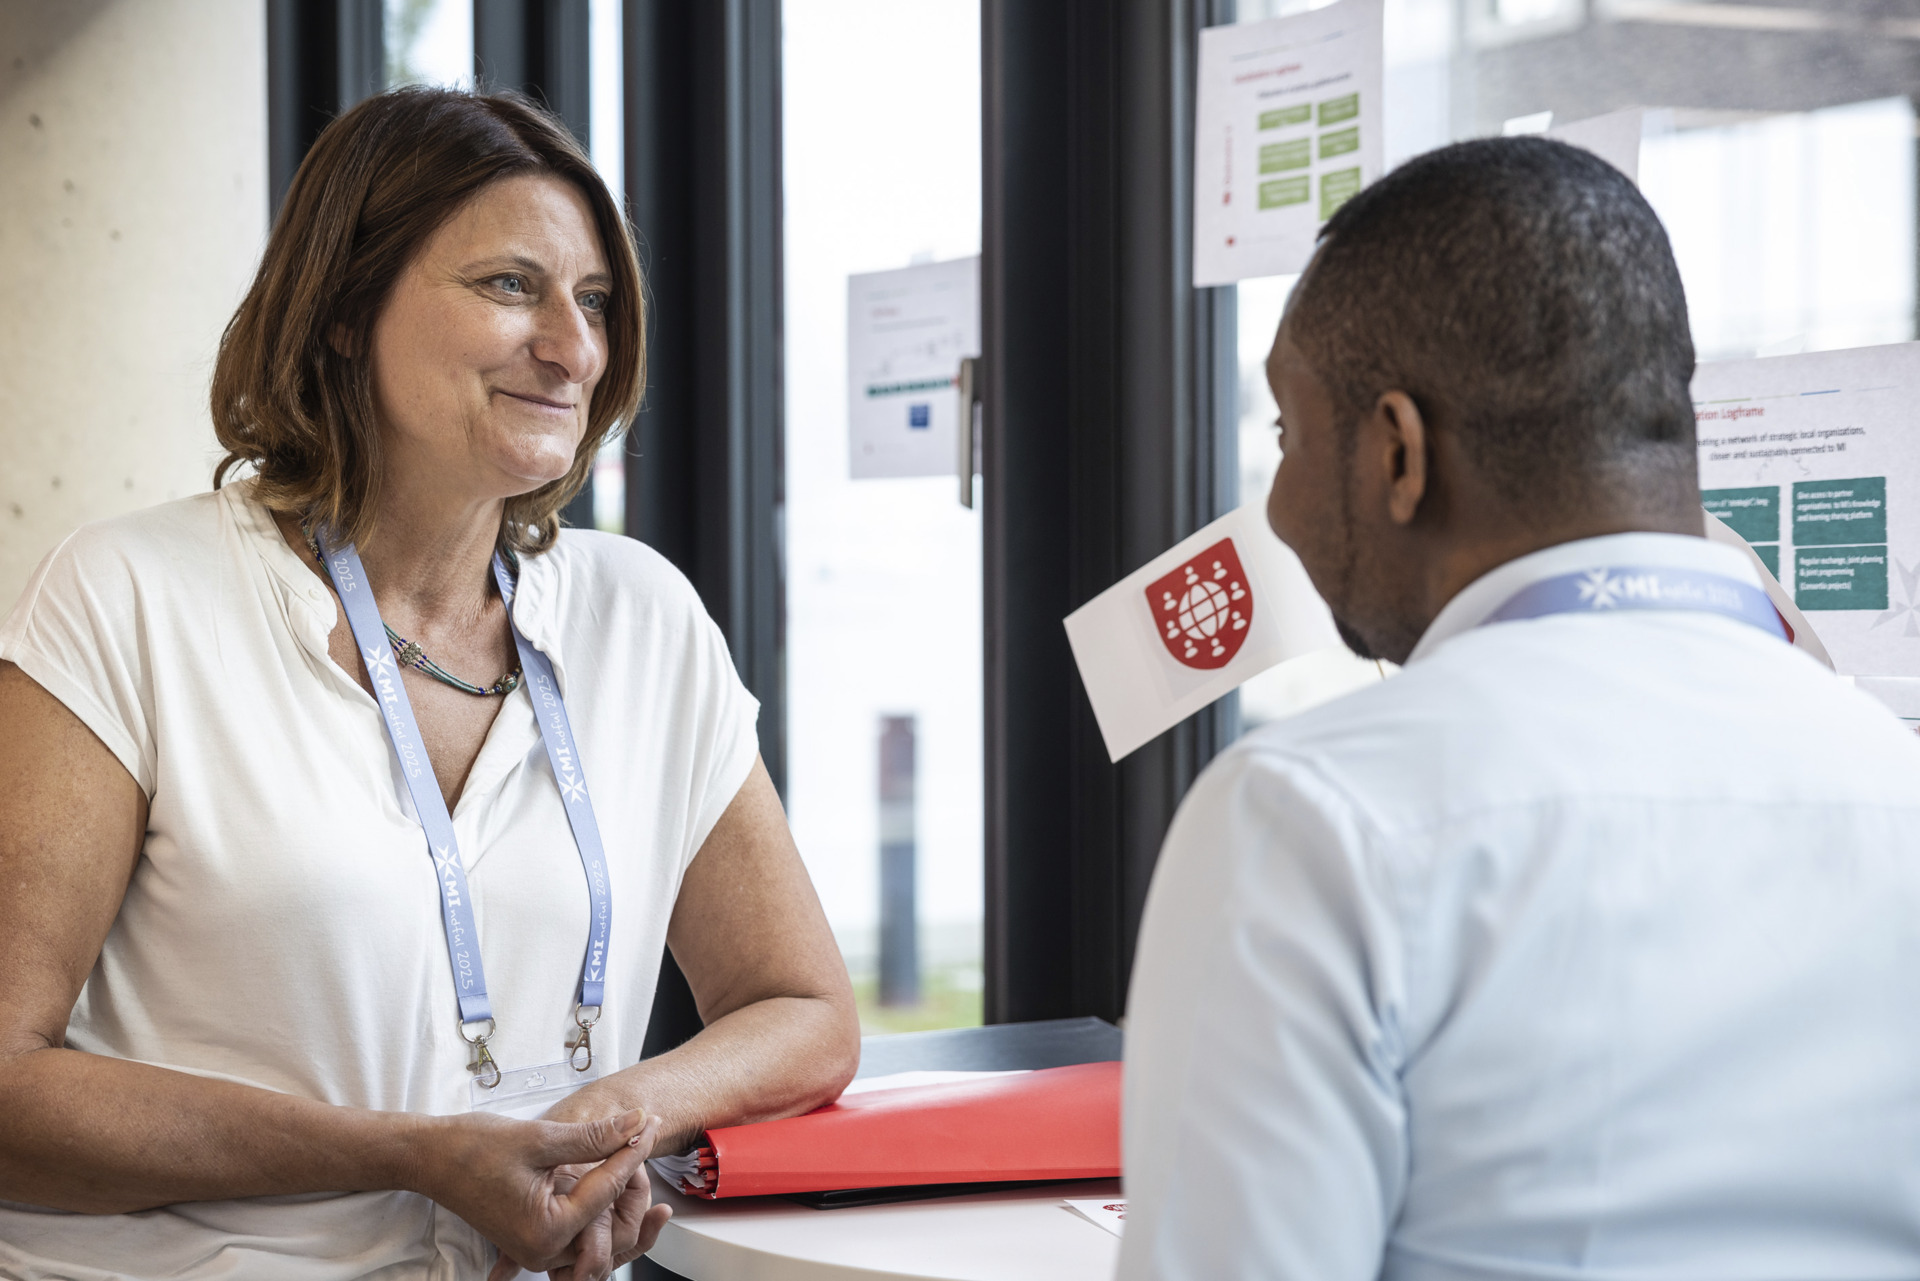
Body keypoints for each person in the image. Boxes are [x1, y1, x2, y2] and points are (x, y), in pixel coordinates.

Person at [0, 88, 858, 1281]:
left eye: (595, 300)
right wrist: (413, 1153)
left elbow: (805, 1013)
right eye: (513, 286)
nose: (574, 345)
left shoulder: (643, 617)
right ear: (348, 309)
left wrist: (608, 1122)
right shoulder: (124, 596)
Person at [1119, 137, 1920, 1279]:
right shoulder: (1893, 783)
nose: (1281, 509)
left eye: (1290, 439)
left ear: (1399, 454)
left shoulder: (1310, 821)